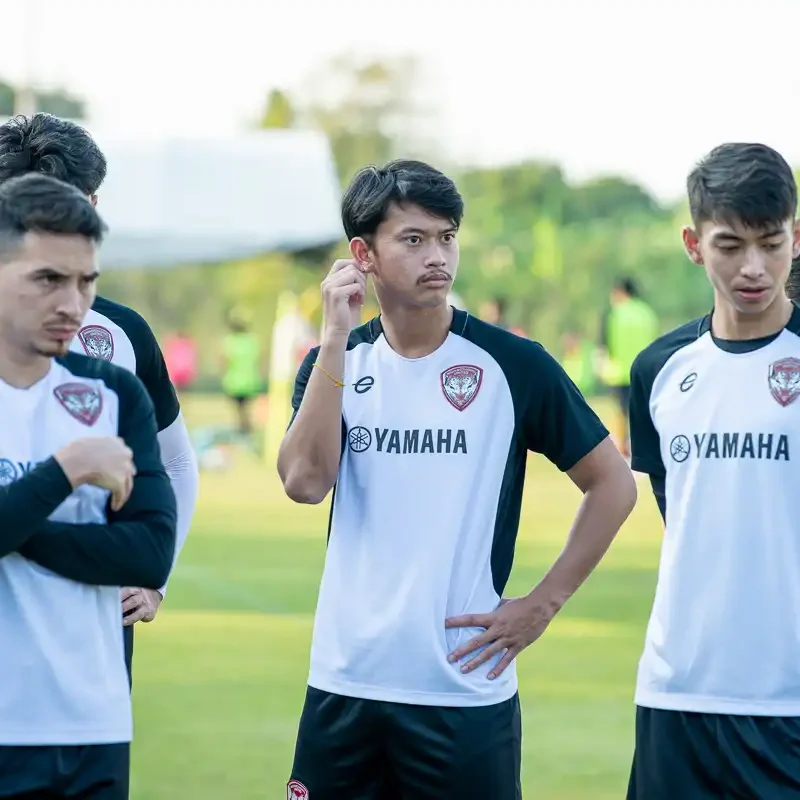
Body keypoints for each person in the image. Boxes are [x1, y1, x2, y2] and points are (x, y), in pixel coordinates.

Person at [278, 159, 637, 799]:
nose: (437, 255)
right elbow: (305, 483)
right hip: (345, 681)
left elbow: (614, 484)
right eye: (413, 240)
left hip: (462, 691)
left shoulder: (513, 366)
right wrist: (333, 339)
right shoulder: (335, 362)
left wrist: (542, 604)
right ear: (364, 254)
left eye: (447, 237)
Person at [627, 143, 800, 799]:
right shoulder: (657, 370)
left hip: (788, 700)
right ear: (694, 244)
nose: (753, 267)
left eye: (770, 243)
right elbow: (682, 510)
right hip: (678, 695)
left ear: (796, 239)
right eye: (730, 245)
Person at [0, 112, 199, 682]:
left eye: (88, 201)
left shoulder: (122, 334)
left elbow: (176, 461)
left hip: (91, 632)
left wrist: (153, 580)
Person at [0, 173, 177, 798]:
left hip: (93, 722)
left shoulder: (112, 393)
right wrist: (65, 472)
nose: (72, 304)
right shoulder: (82, 444)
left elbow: (150, 551)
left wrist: (17, 530)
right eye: (48, 279)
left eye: (86, 281)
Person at [598, 277, 659, 458]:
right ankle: (644, 445)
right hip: (644, 370)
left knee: (621, 411)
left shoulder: (615, 313)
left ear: (620, 292)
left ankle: (624, 448)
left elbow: (607, 341)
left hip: (620, 371)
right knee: (642, 409)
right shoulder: (647, 313)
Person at [221, 309, 262, 436]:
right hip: (250, 381)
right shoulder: (252, 341)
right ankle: (246, 429)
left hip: (235, 382)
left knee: (239, 408)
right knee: (245, 408)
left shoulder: (230, 341)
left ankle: (242, 429)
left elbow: (225, 361)